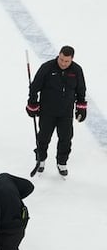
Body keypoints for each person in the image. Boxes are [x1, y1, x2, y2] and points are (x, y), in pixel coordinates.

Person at [27, 45, 88, 177]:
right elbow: (34, 87)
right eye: (61, 59)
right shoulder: (47, 68)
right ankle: (41, 159)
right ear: (58, 55)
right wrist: (32, 104)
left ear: (72, 59)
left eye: (67, 61)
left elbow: (81, 90)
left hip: (66, 113)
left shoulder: (77, 70)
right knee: (43, 137)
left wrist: (81, 107)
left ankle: (62, 162)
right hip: (47, 111)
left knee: (66, 138)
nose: (63, 63)